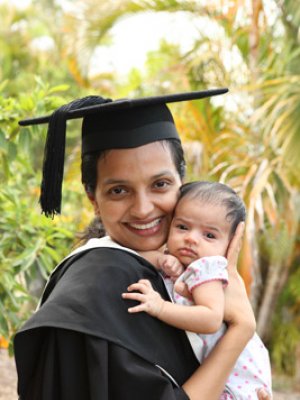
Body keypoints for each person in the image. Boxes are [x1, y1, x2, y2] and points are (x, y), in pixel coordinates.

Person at [14, 90, 271, 400]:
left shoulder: (175, 273)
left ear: (182, 182)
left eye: (160, 184)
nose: (143, 208)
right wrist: (241, 328)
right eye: (119, 190)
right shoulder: (94, 291)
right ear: (94, 199)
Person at [122, 181, 272, 399]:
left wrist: (160, 307)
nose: (191, 238)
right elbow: (135, 257)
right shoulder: (182, 263)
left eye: (209, 235)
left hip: (236, 383)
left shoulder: (208, 268)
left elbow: (210, 318)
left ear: (230, 245)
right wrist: (163, 259)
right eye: (182, 227)